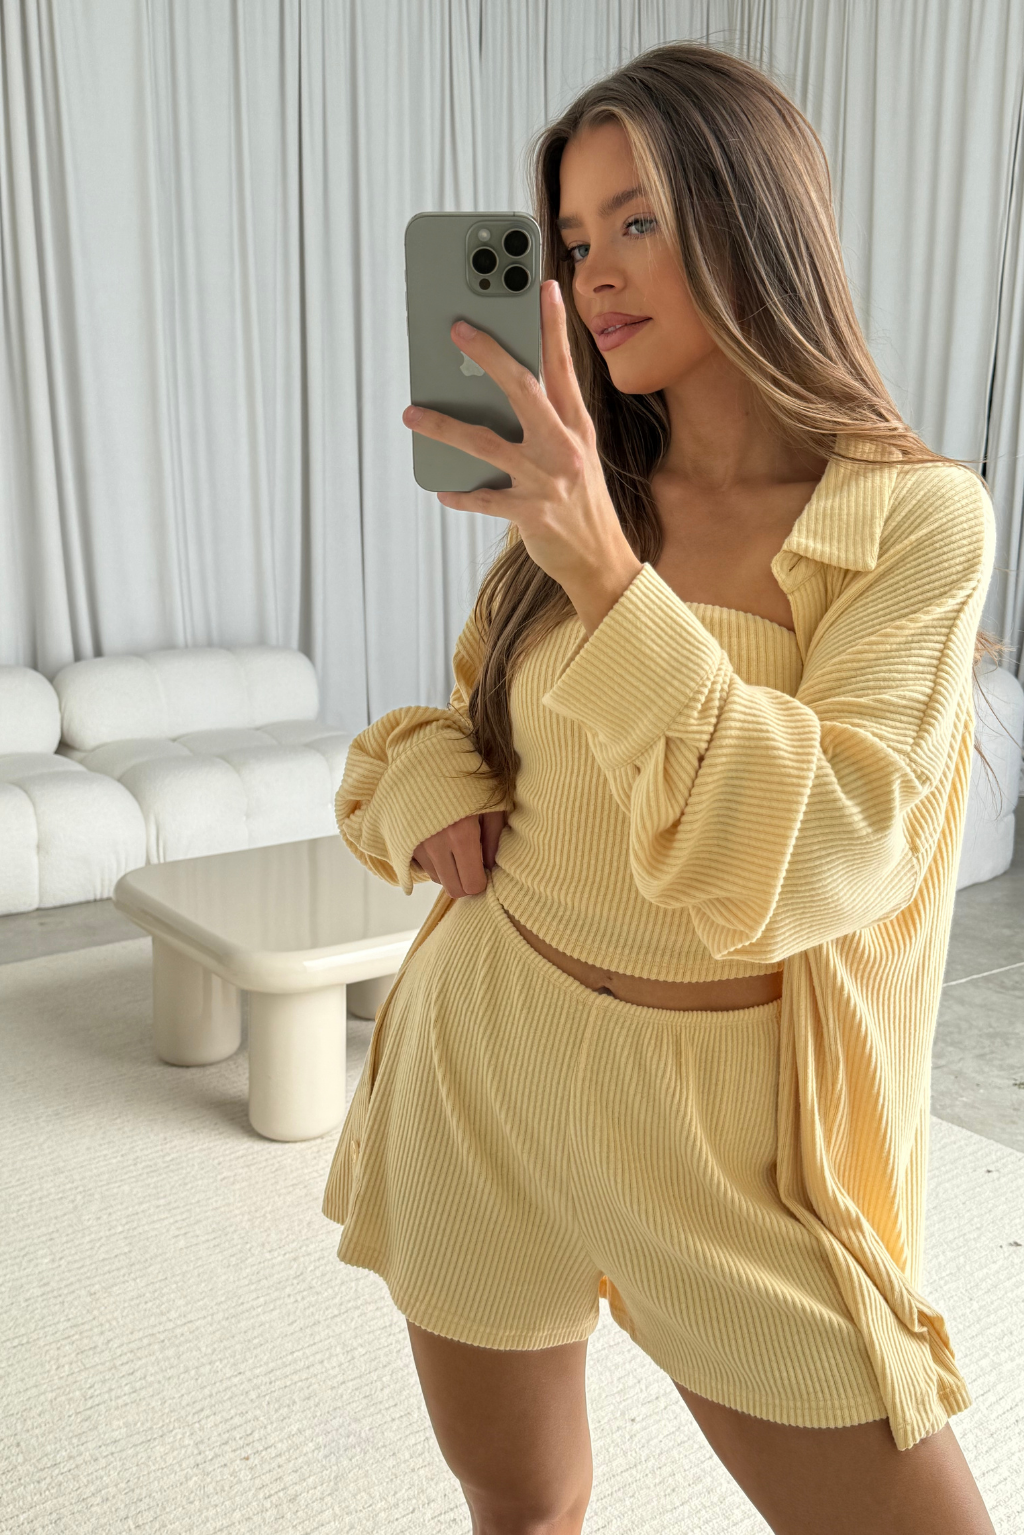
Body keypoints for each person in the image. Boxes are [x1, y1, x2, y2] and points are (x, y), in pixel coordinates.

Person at [322, 41, 1001, 1535]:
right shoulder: (590, 498)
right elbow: (467, 726)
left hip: (724, 1132)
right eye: (573, 241)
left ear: (755, 218)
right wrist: (427, 785)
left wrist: (606, 572)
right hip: (487, 1056)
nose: (595, 275)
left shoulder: (915, 519)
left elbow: (833, 847)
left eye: (638, 219)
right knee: (520, 1502)